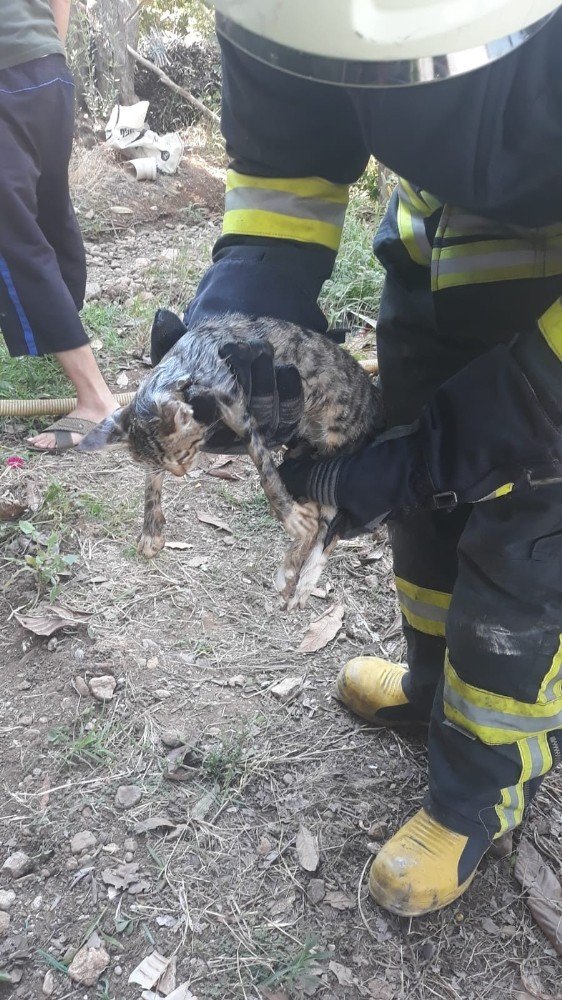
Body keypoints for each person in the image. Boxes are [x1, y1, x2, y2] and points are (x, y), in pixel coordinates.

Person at [152, 1, 562, 916]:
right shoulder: (282, 12)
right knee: (426, 518)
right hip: (435, 260)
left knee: (527, 558)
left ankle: (480, 791)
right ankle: (429, 689)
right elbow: (286, 165)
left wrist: (488, 424)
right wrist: (252, 292)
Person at [0, 0, 115, 451]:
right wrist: (52, 54)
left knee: (13, 237)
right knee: (48, 211)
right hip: (47, 69)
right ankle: (67, 325)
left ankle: (95, 397)